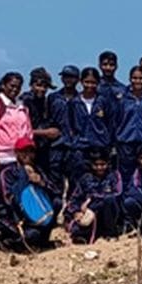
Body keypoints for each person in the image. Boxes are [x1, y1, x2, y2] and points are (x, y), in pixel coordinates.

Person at [0, 72, 35, 241]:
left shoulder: (21, 107)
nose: (15, 89)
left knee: (17, 196)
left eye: (18, 87)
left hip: (19, 158)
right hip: (1, 157)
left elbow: (27, 132)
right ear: (4, 85)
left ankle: (16, 232)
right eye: (12, 86)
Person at [0, 137, 60, 252]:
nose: (28, 155)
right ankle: (9, 241)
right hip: (14, 218)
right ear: (16, 153)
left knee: (56, 202)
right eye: (24, 151)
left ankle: (42, 240)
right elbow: (9, 200)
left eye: (31, 151)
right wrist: (24, 177)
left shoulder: (38, 170)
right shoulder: (7, 173)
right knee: (32, 235)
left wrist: (41, 183)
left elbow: (55, 191)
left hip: (36, 216)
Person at [66, 149, 123, 243]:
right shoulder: (85, 179)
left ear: (108, 164)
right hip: (90, 214)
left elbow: (117, 194)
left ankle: (110, 234)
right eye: (96, 165)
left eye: (102, 164)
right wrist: (76, 212)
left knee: (109, 200)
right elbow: (75, 198)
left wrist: (91, 200)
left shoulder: (114, 176)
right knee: (79, 232)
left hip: (107, 213)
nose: (99, 168)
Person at [69, 67, 116, 177]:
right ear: (81, 82)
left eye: (93, 82)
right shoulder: (74, 102)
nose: (90, 85)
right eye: (87, 82)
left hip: (100, 146)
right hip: (80, 147)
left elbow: (110, 123)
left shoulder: (103, 101)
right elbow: (70, 125)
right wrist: (75, 141)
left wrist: (107, 141)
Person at [47, 65, 81, 196]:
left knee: (75, 183)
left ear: (77, 79)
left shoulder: (80, 99)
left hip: (74, 146)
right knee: (55, 183)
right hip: (56, 145)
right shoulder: (53, 98)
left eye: (71, 77)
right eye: (65, 76)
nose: (68, 80)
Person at [20, 67, 61, 177]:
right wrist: (45, 133)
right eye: (39, 85)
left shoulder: (45, 102)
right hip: (27, 149)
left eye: (45, 86)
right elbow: (20, 129)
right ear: (31, 85)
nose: (42, 89)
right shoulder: (25, 101)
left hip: (42, 148)